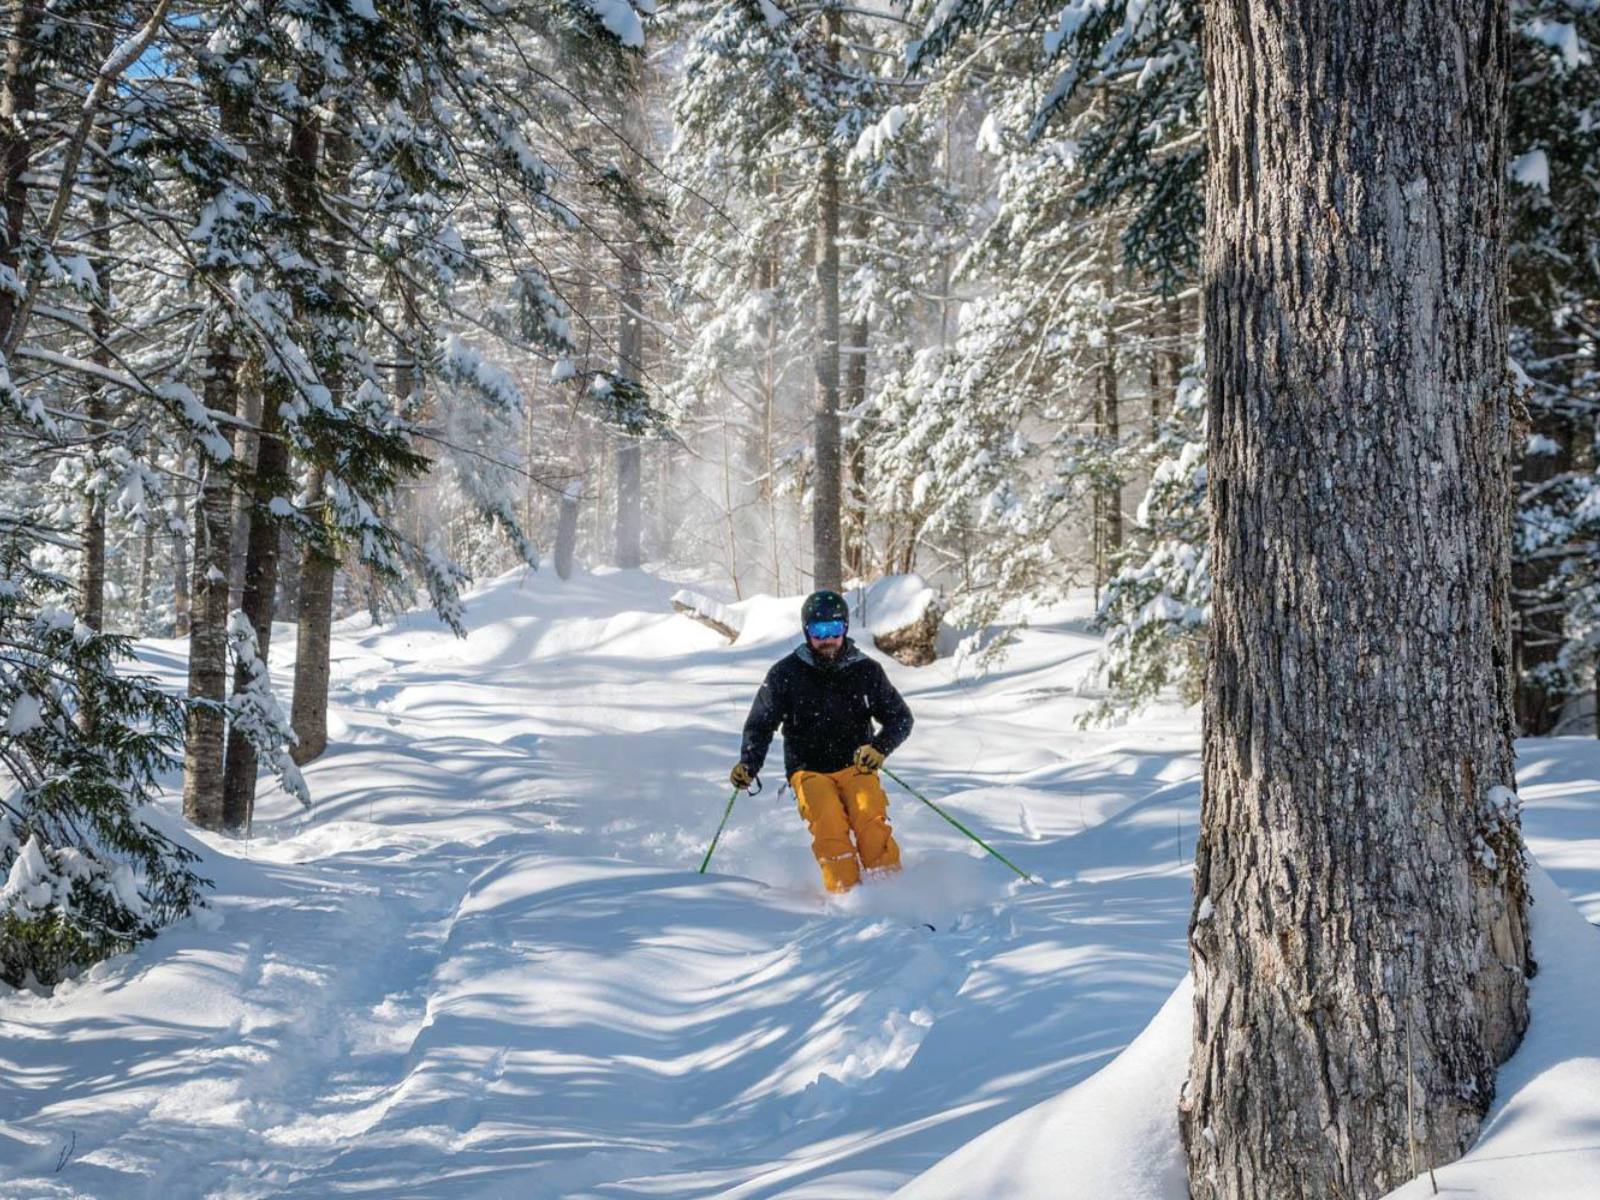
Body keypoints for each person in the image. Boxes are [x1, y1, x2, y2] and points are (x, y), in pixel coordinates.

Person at [730, 590, 914, 893]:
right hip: (808, 768)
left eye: (834, 630)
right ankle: (848, 895)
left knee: (869, 814)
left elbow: (900, 718)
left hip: (856, 764)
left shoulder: (866, 670)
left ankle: (890, 889)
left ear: (845, 629)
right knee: (828, 822)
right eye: (818, 631)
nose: (826, 639)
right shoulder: (785, 674)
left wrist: (880, 748)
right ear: (807, 632)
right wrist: (749, 763)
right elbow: (761, 724)